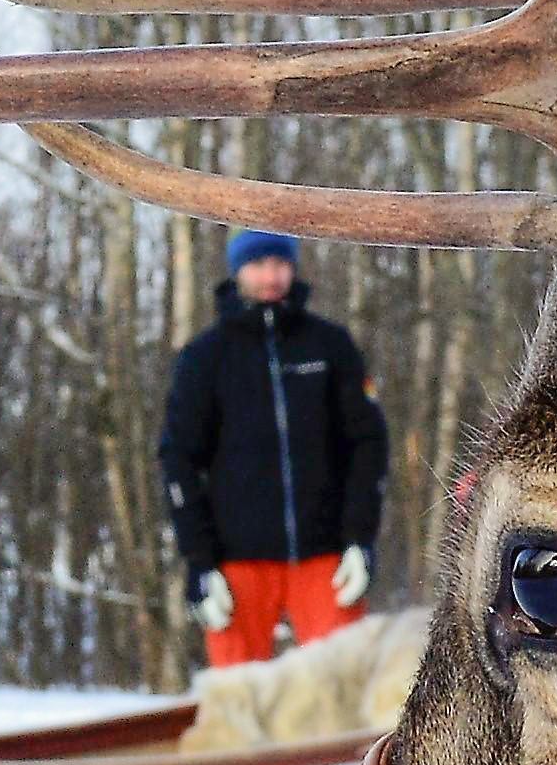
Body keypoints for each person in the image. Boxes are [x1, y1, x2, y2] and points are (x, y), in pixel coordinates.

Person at [157, 224, 389, 669]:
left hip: (325, 556)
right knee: (238, 699)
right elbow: (179, 459)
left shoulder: (329, 345)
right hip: (237, 563)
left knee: (342, 688)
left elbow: (368, 442)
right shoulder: (205, 357)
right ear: (237, 272)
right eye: (259, 264)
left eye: (280, 263)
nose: (271, 275)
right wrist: (200, 563)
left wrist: (361, 539)